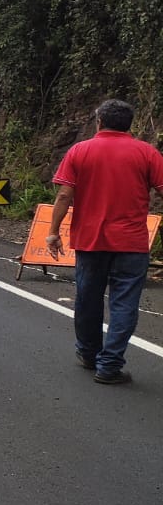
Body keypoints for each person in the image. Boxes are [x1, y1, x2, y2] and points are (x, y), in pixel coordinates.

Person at [47, 99, 163, 385]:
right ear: (129, 125)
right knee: (124, 303)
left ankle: (88, 354)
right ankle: (110, 365)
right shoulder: (147, 153)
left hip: (90, 241)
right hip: (131, 242)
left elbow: (64, 195)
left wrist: (53, 232)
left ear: (99, 121)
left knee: (88, 299)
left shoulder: (80, 150)